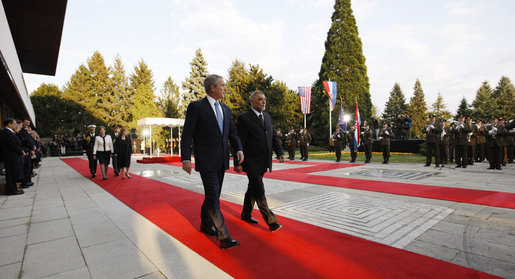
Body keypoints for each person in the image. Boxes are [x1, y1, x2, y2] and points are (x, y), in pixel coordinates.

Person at [181, 74, 244, 249]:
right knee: (213, 197)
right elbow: (187, 134)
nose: (225, 88)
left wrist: (238, 149)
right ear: (212, 88)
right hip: (206, 161)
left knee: (212, 196)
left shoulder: (225, 109)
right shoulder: (196, 107)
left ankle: (205, 223)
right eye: (222, 85)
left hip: (222, 161)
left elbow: (232, 133)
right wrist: (186, 158)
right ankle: (223, 236)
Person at [235, 90, 284, 232]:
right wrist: (238, 163)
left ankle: (246, 213)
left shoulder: (267, 117)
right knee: (259, 189)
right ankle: (271, 221)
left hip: (264, 161)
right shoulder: (244, 118)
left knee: (253, 188)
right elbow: (239, 142)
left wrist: (280, 152)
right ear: (252, 101)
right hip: (250, 161)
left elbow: (274, 136)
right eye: (260, 99)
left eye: (264, 99)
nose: (264, 102)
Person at [0, 119, 25, 195]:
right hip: (10, 156)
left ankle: (14, 188)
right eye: (14, 124)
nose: (15, 125)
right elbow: (12, 145)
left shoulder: (10, 132)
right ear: (9, 124)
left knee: (14, 172)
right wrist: (21, 152)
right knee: (11, 173)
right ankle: (11, 190)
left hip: (13, 156)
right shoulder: (6, 133)